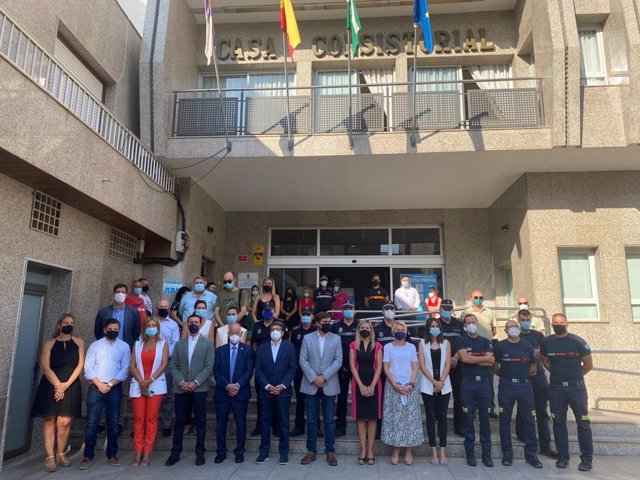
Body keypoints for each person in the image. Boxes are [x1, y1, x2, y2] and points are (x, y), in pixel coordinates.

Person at [31, 314, 85, 472]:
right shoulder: (49, 344)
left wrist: (66, 385)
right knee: (49, 419)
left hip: (71, 383)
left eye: (72, 323)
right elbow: (45, 366)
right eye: (66, 323)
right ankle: (50, 457)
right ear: (59, 325)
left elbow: (80, 365)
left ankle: (61, 453)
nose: (69, 325)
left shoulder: (79, 342)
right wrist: (58, 385)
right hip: (50, 383)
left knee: (65, 421)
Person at [540, 313, 593, 472]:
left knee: (583, 423)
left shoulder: (577, 341)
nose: (558, 324)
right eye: (555, 322)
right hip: (556, 388)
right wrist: (558, 375)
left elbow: (588, 364)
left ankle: (586, 459)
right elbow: (545, 360)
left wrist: (574, 376)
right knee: (558, 423)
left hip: (576, 388)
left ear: (566, 323)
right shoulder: (547, 342)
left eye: (561, 322)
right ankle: (563, 456)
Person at [79, 319, 131, 470]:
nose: (113, 331)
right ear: (104, 329)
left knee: (113, 423)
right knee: (91, 423)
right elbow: (88, 367)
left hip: (113, 388)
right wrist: (99, 384)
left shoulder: (124, 346)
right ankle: (87, 456)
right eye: (110, 328)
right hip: (95, 388)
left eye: (116, 329)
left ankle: (112, 455)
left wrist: (110, 384)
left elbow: (125, 368)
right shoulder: (95, 346)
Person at [165, 314, 215, 467]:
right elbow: (173, 365)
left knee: (200, 421)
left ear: (200, 325)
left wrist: (195, 382)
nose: (193, 324)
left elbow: (208, 367)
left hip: (199, 388)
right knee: (180, 421)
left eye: (196, 322)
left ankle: (200, 453)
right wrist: (181, 381)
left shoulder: (207, 344)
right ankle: (175, 452)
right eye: (191, 322)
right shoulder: (180, 344)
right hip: (181, 388)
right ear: (186, 325)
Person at [493, 320, 543, 469]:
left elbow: (533, 365)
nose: (513, 329)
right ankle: (507, 453)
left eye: (515, 326)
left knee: (529, 419)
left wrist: (523, 375)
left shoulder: (527, 345)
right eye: (510, 327)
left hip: (524, 386)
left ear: (519, 329)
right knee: (504, 420)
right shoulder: (500, 346)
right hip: (506, 385)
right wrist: (506, 376)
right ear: (506, 330)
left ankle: (531, 454)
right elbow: (495, 366)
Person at [299, 312, 343, 467]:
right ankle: (311, 451)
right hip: (311, 384)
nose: (328, 324)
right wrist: (314, 378)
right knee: (311, 419)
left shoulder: (336, 338)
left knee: (329, 420)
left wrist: (324, 377)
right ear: (317, 323)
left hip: (329, 384)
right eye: (324, 321)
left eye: (329, 321)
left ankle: (330, 451)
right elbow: (302, 360)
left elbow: (338, 361)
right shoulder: (307, 338)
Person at [254, 321, 297, 465]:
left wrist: (282, 385)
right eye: (273, 329)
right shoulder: (262, 348)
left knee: (284, 422)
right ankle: (263, 452)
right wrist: (267, 386)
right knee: (265, 421)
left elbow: (292, 368)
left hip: (283, 391)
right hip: (266, 391)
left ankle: (283, 453)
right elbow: (258, 370)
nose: (275, 332)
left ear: (283, 332)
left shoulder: (290, 347)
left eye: (278, 329)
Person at [516, 309, 557, 458]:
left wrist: (530, 353)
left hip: (539, 376)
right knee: (523, 408)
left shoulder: (538, 335)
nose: (525, 322)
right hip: (523, 377)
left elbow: (543, 353)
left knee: (541, 411)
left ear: (531, 319)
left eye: (527, 319)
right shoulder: (516, 336)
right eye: (522, 319)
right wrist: (533, 353)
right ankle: (522, 436)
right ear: (518, 320)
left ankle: (545, 445)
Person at [381, 321, 423, 465]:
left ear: (406, 332)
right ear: (393, 332)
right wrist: (395, 384)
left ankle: (409, 450)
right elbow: (386, 367)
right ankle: (395, 450)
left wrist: (411, 383)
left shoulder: (411, 347)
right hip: (393, 387)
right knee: (395, 420)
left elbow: (415, 366)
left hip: (410, 387)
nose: (400, 332)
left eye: (402, 330)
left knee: (409, 419)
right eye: (397, 329)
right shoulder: (387, 347)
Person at [129, 317, 169, 467]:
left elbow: (164, 364)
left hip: (155, 385)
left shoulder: (163, 344)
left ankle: (147, 453)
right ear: (144, 328)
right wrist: (141, 381)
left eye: (154, 325)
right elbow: (132, 365)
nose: (151, 327)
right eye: (148, 325)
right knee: (139, 419)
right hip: (138, 385)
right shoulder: (138, 343)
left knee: (151, 419)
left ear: (158, 328)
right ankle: (138, 452)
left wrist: (149, 380)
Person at [456, 313, 495, 467]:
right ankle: (470, 454)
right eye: (468, 322)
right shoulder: (461, 339)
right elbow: (464, 359)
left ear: (477, 323)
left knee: (485, 419)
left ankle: (487, 455)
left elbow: (490, 362)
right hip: (468, 383)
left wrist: (474, 358)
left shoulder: (485, 341)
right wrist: (482, 358)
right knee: (468, 417)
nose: (471, 324)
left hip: (484, 384)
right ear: (464, 325)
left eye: (473, 321)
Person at [213, 322, 254, 464]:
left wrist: (237, 385)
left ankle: (239, 451)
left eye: (237, 333)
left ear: (241, 334)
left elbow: (249, 371)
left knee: (241, 423)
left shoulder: (248, 350)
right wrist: (227, 386)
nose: (235, 335)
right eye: (232, 333)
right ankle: (221, 452)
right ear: (228, 334)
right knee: (221, 424)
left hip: (240, 392)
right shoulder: (219, 351)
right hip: (222, 392)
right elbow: (216, 371)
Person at [418, 318, 452, 466]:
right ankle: (433, 452)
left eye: (436, 326)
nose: (434, 328)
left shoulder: (446, 343)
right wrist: (433, 382)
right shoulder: (422, 343)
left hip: (444, 385)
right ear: (427, 328)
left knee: (442, 417)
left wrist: (441, 382)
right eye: (431, 326)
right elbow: (422, 365)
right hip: (428, 385)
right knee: (430, 417)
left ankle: (442, 451)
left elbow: (448, 364)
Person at [460, 289, 498, 418]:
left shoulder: (490, 312)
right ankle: (473, 409)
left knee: (488, 380)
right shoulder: (466, 313)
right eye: (475, 297)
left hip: (486, 346)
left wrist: (486, 357)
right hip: (470, 346)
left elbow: (494, 330)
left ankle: (490, 408)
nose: (478, 299)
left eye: (480, 297)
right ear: (470, 298)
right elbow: (466, 359)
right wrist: (483, 358)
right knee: (470, 382)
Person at [349, 319, 382, 465]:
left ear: (371, 330)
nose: (365, 330)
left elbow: (379, 367)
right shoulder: (353, 345)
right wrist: (361, 385)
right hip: (358, 383)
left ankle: (370, 450)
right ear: (358, 330)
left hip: (375, 383)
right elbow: (352, 366)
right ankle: (362, 449)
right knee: (361, 417)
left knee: (373, 418)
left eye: (367, 328)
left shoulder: (378, 346)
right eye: (362, 327)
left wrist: (372, 385)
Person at [250, 301, 281, 437]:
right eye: (265, 310)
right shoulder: (257, 325)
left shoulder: (279, 325)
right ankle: (260, 426)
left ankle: (276, 426)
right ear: (262, 312)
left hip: (276, 367)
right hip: (261, 368)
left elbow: (284, 345)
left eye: (270, 310)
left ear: (274, 311)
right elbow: (254, 345)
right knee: (261, 399)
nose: (267, 312)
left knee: (276, 398)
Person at [331, 301, 358, 437]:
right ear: (342, 311)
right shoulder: (335, 326)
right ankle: (340, 426)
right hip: (340, 368)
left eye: (351, 308)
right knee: (341, 397)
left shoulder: (359, 326)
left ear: (354, 310)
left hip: (358, 367)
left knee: (360, 396)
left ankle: (362, 425)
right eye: (346, 308)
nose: (348, 310)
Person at [439, 299, 465, 437]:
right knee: (441, 396)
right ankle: (440, 424)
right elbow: (432, 343)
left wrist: (455, 357)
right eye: (444, 307)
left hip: (458, 364)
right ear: (440, 308)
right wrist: (448, 359)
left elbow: (465, 342)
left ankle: (459, 426)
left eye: (449, 308)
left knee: (458, 396)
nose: (447, 310)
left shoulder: (459, 324)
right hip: (441, 365)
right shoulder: (435, 324)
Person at [290, 307, 317, 437]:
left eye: (308, 314)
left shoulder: (316, 331)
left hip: (313, 370)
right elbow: (293, 350)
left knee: (315, 399)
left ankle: (316, 427)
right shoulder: (296, 332)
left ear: (313, 317)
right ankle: (299, 426)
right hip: (299, 370)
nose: (305, 316)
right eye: (304, 314)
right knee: (300, 400)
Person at [157, 299, 180, 438]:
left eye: (166, 307)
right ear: (157, 307)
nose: (163, 309)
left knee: (167, 395)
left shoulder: (173, 324)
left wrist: (163, 355)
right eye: (161, 307)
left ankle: (166, 424)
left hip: (167, 362)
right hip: (150, 362)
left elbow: (175, 342)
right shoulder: (150, 322)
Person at [94, 283, 140, 349]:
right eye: (118, 292)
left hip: (126, 349)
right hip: (106, 348)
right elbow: (98, 332)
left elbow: (136, 332)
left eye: (123, 292)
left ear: (126, 295)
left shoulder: (133, 312)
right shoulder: (103, 312)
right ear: (114, 294)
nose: (120, 294)